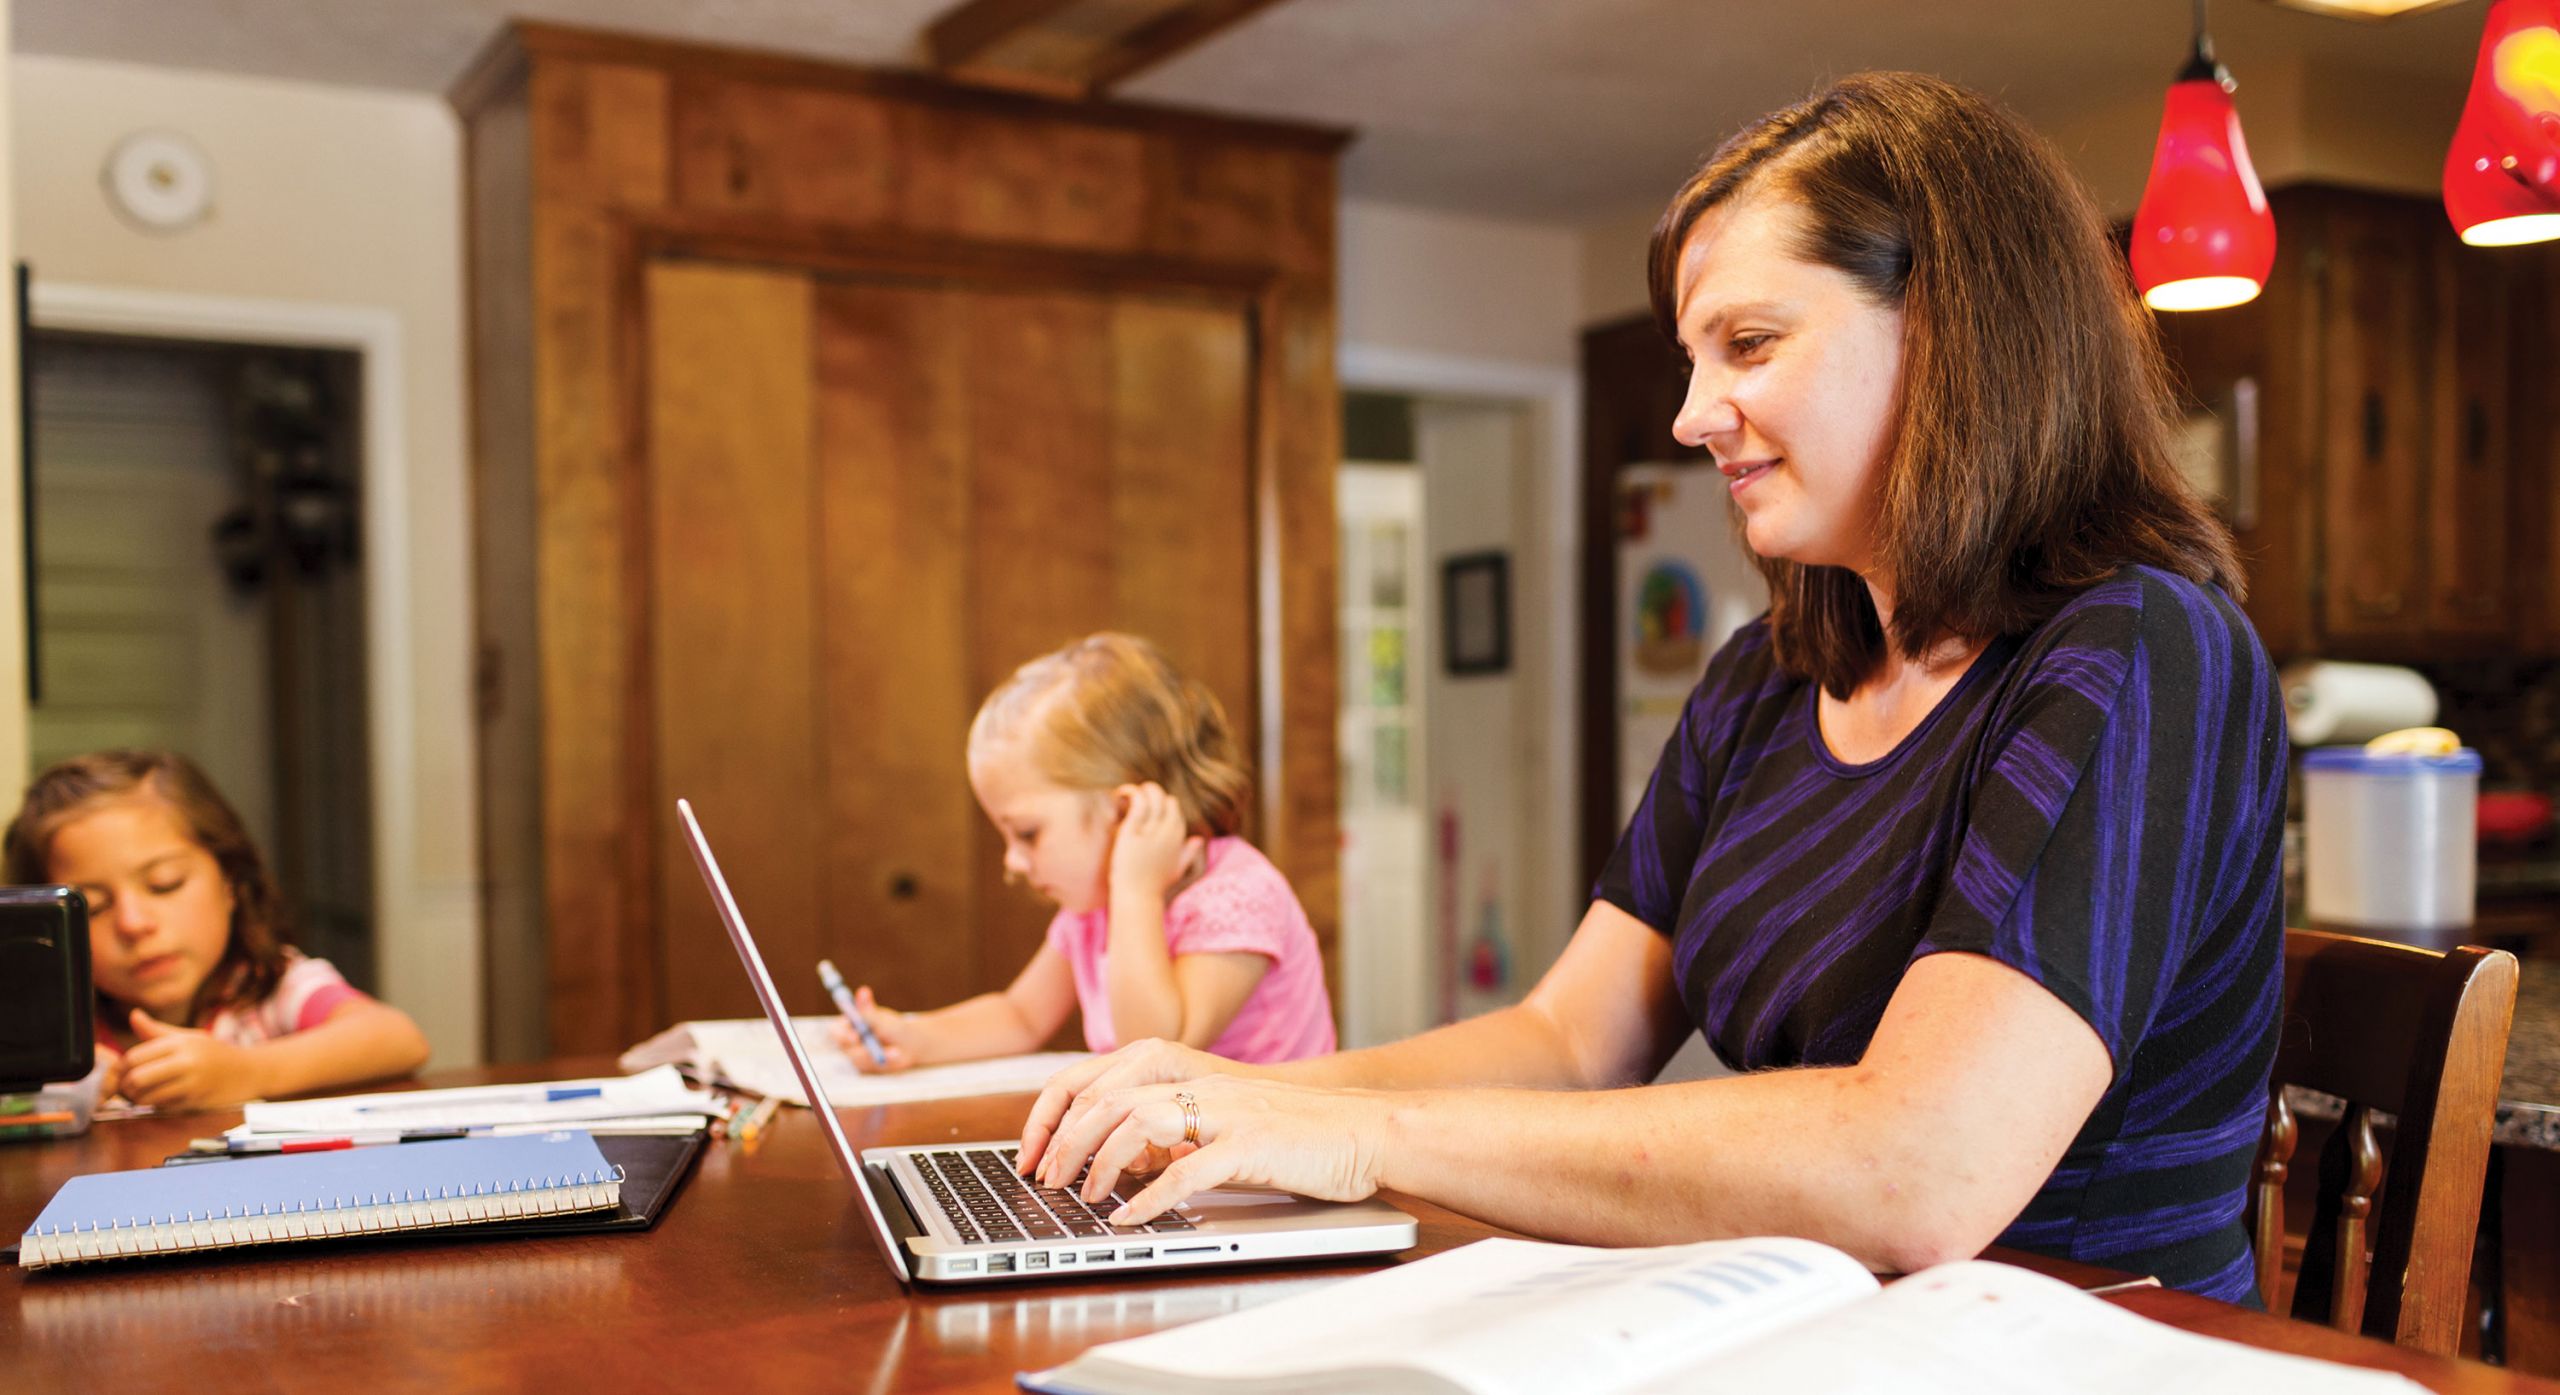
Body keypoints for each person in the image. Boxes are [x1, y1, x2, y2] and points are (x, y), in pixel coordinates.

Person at [1013, 72, 2288, 1304]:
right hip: (1812, 1325)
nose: (1690, 415)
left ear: (1953, 332)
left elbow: (1921, 1166)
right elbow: (1572, 1043)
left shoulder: (2138, 650)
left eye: (1748, 343)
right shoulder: (1768, 678)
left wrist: (1364, 1137)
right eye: (1692, 357)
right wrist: (1242, 1101)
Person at [829, 632, 1336, 1073]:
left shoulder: (1238, 896)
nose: (1012, 863)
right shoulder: (1094, 911)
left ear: (1124, 812)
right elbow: (1020, 1015)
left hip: (1265, 1179)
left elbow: (1156, 1050)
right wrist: (915, 1038)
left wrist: (1136, 890)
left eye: (1027, 834)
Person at [3, 750, 430, 1109]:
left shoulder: (272, 987)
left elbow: (399, 1038)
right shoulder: (44, 1029)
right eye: (92, 907)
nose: (134, 923)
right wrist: (49, 1094)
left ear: (230, 882)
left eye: (164, 883)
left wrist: (246, 1072)